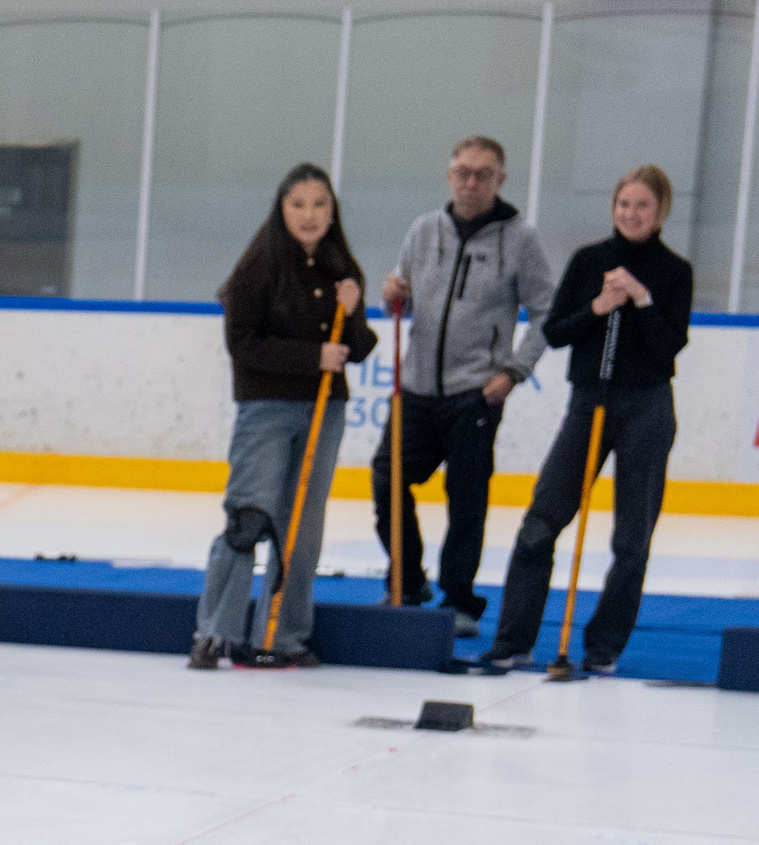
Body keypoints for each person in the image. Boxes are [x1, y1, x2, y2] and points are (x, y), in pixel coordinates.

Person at [478, 167, 691, 676]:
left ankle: (603, 647)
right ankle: (513, 640)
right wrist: (598, 306)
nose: (631, 214)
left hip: (646, 408)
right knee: (540, 522)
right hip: (588, 402)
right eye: (623, 204)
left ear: (660, 211)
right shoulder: (589, 261)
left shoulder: (674, 271)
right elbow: (555, 332)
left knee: (632, 540)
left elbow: (669, 346)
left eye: (642, 206)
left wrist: (641, 300)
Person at [190, 164, 377, 670]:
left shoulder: (343, 269)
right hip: (266, 409)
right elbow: (242, 344)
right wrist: (313, 357)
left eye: (319, 205)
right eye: (298, 205)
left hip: (324, 411)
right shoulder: (257, 268)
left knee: (301, 530)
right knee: (249, 518)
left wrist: (352, 312)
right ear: (282, 209)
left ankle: (282, 635)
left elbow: (358, 347)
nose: (309, 215)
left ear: (332, 211)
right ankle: (214, 633)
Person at [372, 137, 555, 635]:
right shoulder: (423, 230)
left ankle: (459, 600)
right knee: (387, 478)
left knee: (466, 498)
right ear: (450, 175)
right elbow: (402, 295)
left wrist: (514, 371)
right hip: (416, 389)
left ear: (501, 180)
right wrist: (392, 293)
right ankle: (407, 580)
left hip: (476, 393)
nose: (471, 182)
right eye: (463, 172)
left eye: (483, 174)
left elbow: (546, 312)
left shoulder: (520, 240)